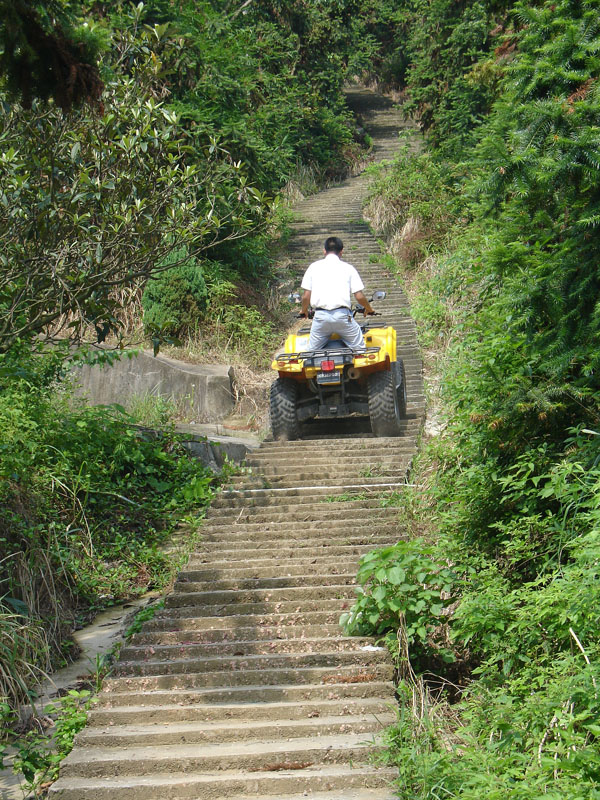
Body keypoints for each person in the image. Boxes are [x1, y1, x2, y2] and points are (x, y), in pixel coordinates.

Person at [300, 236, 374, 351]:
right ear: (341, 252)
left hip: (320, 318)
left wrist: (303, 310)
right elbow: (359, 296)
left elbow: (306, 296)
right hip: (342, 317)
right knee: (360, 351)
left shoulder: (313, 267)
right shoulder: (348, 268)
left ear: (324, 251)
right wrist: (368, 308)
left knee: (311, 353)